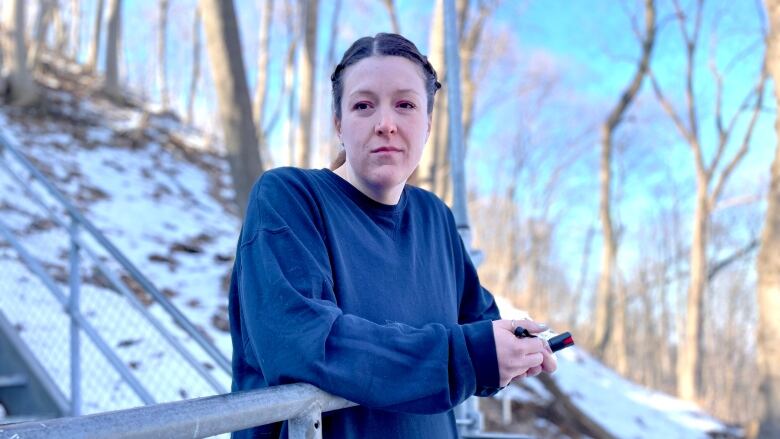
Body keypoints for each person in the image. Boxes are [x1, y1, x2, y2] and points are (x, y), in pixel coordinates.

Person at [228, 32, 557, 439]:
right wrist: (466, 357)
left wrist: (515, 346)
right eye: (363, 106)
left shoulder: (435, 217)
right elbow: (302, 344)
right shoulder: (289, 199)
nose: (386, 124)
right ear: (339, 124)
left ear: (428, 124)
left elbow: (477, 323)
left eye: (405, 105)